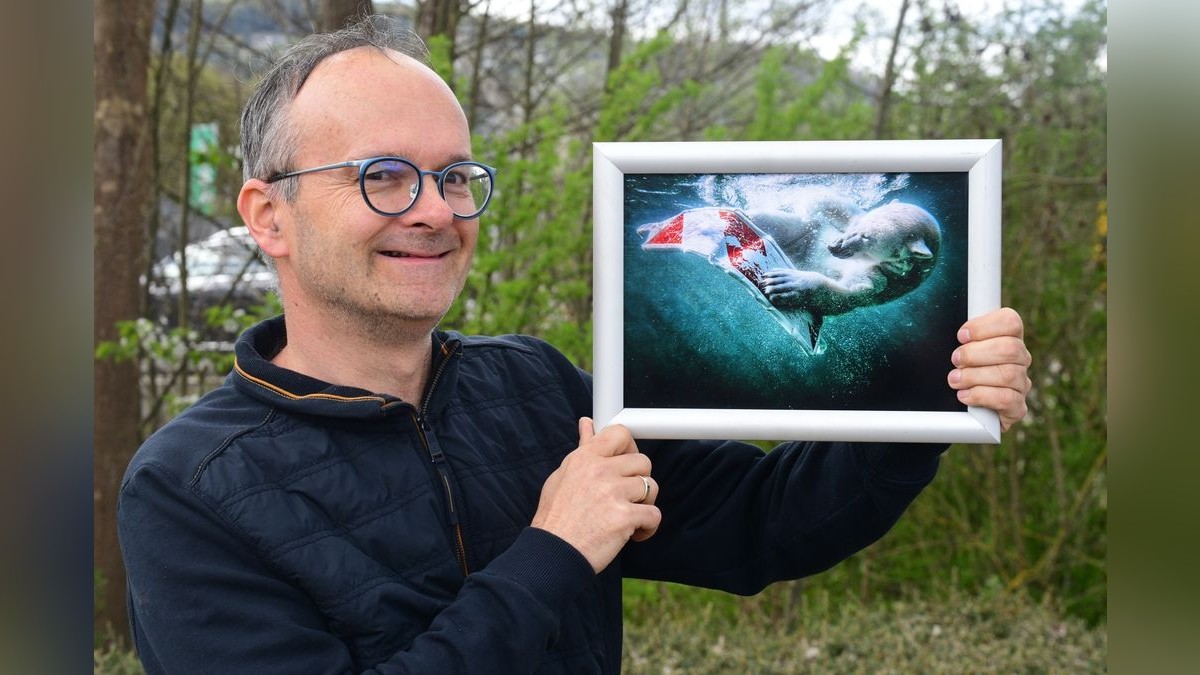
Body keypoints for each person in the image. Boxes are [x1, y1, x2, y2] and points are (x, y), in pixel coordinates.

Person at [118, 17, 1033, 674]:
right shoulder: (188, 489)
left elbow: (764, 521)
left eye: (453, 176)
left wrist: (930, 399)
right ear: (268, 215)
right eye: (384, 177)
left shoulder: (537, 391)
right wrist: (555, 550)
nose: (435, 211)